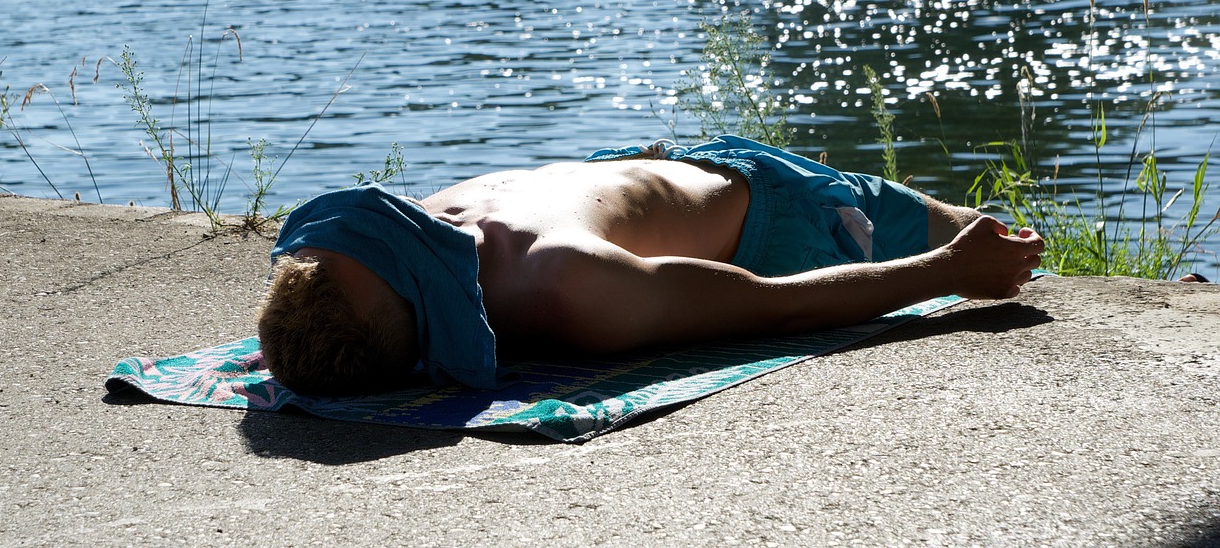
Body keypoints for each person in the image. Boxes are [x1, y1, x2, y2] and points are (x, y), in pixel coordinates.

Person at [258, 135, 1044, 394]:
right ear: (426, 311)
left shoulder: (382, 246)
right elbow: (781, 306)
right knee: (1013, 247)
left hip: (677, 162)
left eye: (353, 236)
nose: (388, 221)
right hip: (800, 218)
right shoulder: (567, 285)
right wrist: (949, 268)